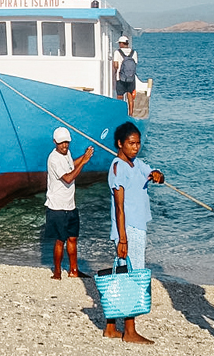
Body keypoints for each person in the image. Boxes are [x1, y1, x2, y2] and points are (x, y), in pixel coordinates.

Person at [103, 121, 165, 343]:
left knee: (122, 274)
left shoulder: (137, 164)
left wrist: (158, 175)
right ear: (120, 143)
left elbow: (156, 174)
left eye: (138, 143)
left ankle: (111, 328)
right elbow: (119, 207)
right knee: (132, 277)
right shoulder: (118, 167)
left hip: (138, 226)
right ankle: (129, 331)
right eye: (131, 143)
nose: (135, 147)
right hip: (128, 230)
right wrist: (122, 239)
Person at [44, 127, 94, 280]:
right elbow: (68, 178)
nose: (65, 146)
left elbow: (71, 164)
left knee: (73, 238)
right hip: (57, 207)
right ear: (55, 142)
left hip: (70, 205)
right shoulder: (53, 158)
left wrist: (84, 157)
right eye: (61, 143)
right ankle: (57, 272)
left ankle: (74, 270)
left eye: (66, 142)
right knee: (60, 240)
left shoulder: (66, 153)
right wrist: (84, 163)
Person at [112, 36, 137, 116]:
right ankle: (131, 113)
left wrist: (115, 71)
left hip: (120, 78)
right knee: (130, 96)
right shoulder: (134, 52)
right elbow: (135, 64)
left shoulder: (117, 52)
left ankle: (120, 113)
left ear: (122, 43)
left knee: (120, 96)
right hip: (131, 78)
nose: (119, 45)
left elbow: (116, 65)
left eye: (119, 43)